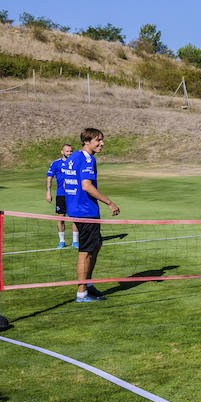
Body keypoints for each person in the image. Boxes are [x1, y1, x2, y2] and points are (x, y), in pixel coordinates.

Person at [64, 128, 120, 303]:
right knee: (86, 251)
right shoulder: (87, 159)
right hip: (86, 212)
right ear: (87, 142)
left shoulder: (72, 157)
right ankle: (81, 293)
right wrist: (109, 202)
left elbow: (66, 184)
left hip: (76, 209)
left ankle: (87, 285)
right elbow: (86, 186)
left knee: (96, 245)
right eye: (98, 140)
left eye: (102, 140)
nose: (102, 143)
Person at [45, 142, 78, 249]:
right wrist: (48, 192)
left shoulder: (75, 163)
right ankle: (62, 241)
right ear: (62, 152)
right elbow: (49, 178)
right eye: (67, 151)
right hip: (61, 195)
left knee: (74, 218)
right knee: (61, 218)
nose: (69, 153)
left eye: (71, 151)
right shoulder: (56, 163)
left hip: (73, 194)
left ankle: (75, 241)